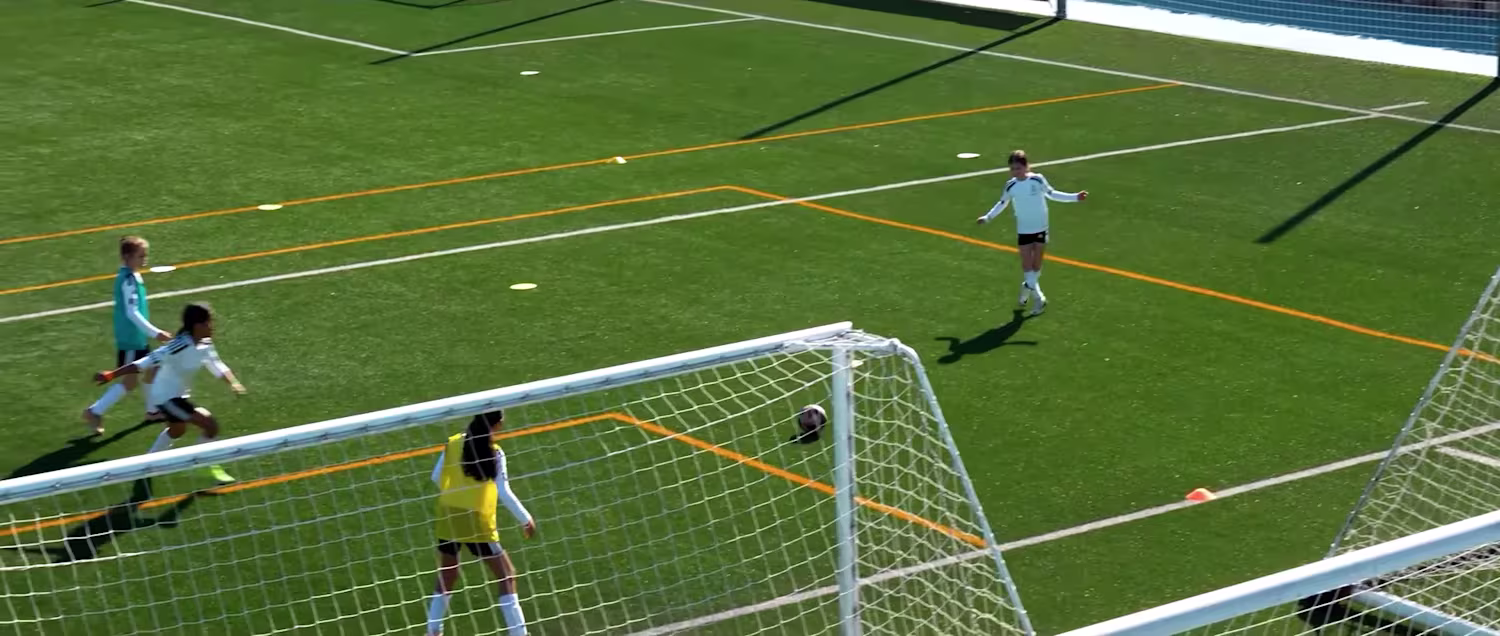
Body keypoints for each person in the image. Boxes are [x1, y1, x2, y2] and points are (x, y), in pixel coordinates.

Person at [93, 302, 245, 484]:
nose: (212, 327)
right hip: (165, 398)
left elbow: (216, 364)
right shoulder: (178, 345)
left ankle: (147, 464)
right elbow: (144, 363)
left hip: (179, 396)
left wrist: (233, 383)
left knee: (177, 430)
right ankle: (204, 464)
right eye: (208, 323)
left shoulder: (205, 343)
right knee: (210, 425)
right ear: (197, 325)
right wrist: (111, 374)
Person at [427, 410, 537, 636]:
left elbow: (436, 477)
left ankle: (433, 631)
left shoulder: (453, 443)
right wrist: (526, 519)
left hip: (448, 516)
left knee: (448, 574)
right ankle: (519, 634)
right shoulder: (494, 453)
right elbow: (503, 492)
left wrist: (457, 495)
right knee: (506, 575)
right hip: (477, 522)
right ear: (496, 425)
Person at [976, 150, 1088, 315]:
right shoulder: (1011, 185)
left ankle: (1027, 288)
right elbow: (1002, 203)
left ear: (1026, 166)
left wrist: (1075, 197)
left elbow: (1052, 194)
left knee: (1036, 266)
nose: (1016, 171)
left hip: (1041, 228)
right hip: (1024, 230)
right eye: (1012, 169)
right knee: (1027, 266)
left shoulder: (1037, 179)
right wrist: (988, 217)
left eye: (1018, 168)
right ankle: (1039, 299)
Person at [82, 236, 173, 435]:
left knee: (154, 368)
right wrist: (156, 333)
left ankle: (152, 411)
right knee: (129, 382)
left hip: (137, 337)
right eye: (141, 256)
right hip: (132, 339)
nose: (145, 259)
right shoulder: (128, 280)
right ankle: (94, 411)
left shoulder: (132, 276)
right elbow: (132, 312)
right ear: (127, 257)